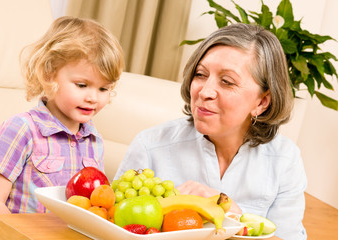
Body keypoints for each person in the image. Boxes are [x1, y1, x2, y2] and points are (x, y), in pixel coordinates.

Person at [115, 23, 307, 240]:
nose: (204, 91)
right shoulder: (150, 145)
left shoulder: (285, 160)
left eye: (227, 82)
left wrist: (235, 215)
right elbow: (111, 225)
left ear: (262, 102)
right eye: (200, 74)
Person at [0, 16, 124, 239]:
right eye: (82, 85)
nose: (93, 98)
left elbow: (95, 209)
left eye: (104, 89)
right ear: (49, 74)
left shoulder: (95, 141)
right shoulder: (22, 128)